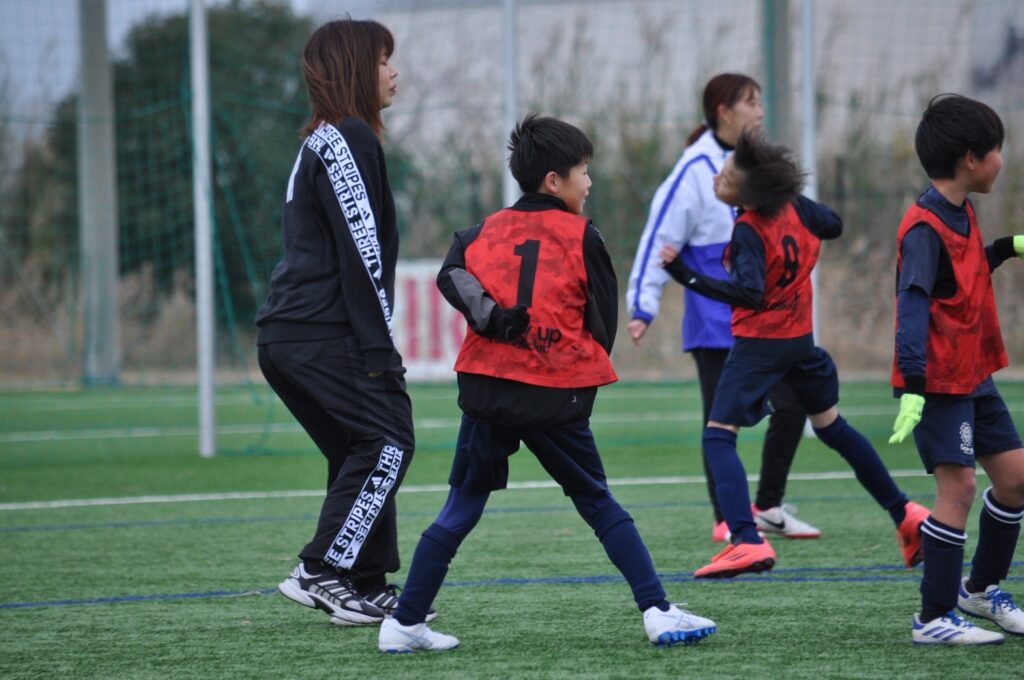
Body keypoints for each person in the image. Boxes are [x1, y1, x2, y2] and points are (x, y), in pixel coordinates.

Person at [376, 115, 717, 653]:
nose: (589, 182)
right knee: (597, 500)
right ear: (554, 181)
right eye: (583, 171)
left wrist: (495, 321)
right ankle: (657, 610)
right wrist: (571, 369)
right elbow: (602, 323)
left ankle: (404, 622)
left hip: (488, 389)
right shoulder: (583, 234)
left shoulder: (479, 232)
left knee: (462, 504)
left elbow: (451, 275)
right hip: (554, 392)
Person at [658, 129, 929, 579]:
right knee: (833, 427)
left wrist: (684, 274)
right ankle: (905, 512)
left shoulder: (748, 229)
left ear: (749, 194)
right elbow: (833, 225)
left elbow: (749, 293)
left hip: (758, 347)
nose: (717, 179)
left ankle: (746, 539)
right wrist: (792, 197)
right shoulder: (796, 208)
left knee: (717, 437)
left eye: (726, 177)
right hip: (800, 342)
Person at [255, 18, 426, 626]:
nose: (394, 72)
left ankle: (363, 580)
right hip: (320, 334)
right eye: (383, 60)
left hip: (292, 336)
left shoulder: (325, 140)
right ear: (356, 68)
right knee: (389, 441)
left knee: (361, 448)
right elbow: (363, 250)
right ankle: (321, 570)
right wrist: (380, 348)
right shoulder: (349, 137)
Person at [626, 73, 819, 543]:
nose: (760, 111)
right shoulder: (694, 170)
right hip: (717, 319)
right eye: (751, 102)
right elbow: (659, 238)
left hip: (768, 320)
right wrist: (642, 304)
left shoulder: (759, 166)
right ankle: (726, 519)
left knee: (793, 404)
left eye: (760, 101)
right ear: (723, 112)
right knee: (720, 421)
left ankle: (767, 506)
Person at [889, 94, 1024, 646]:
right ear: (971, 158)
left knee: (1015, 480)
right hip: (938, 382)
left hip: (973, 374)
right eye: (997, 150)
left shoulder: (960, 208)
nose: (1001, 161)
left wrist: (1008, 247)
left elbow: (962, 273)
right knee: (959, 489)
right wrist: (914, 386)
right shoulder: (923, 227)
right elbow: (913, 303)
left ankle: (980, 590)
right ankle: (933, 618)